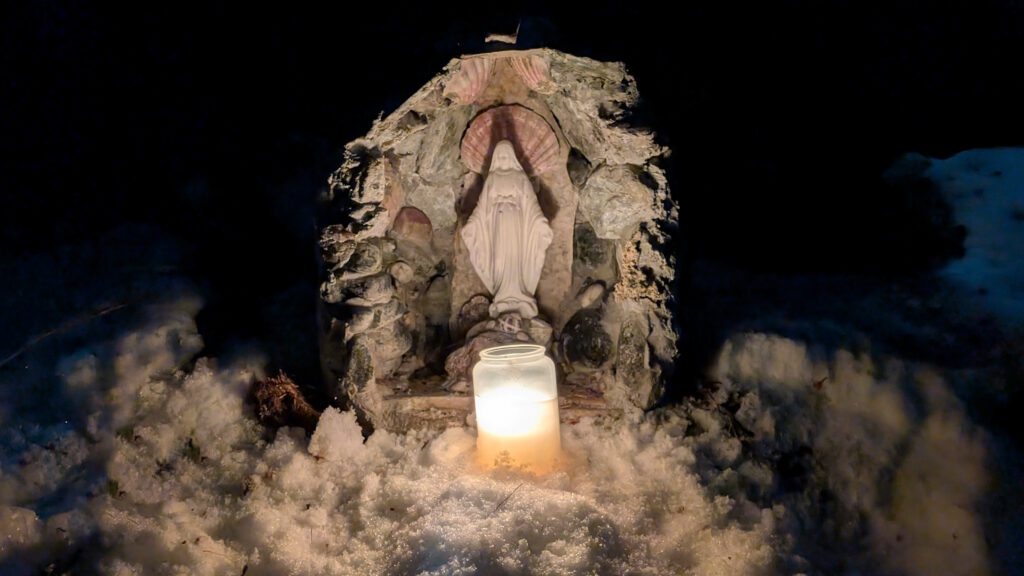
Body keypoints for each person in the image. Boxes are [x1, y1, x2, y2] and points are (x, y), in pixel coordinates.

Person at [462, 140, 553, 319]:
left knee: (516, 257)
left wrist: (540, 221)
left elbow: (530, 204)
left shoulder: (519, 178)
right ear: (496, 159)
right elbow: (482, 207)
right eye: (500, 157)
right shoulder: (493, 179)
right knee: (500, 259)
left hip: (517, 223)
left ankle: (519, 292)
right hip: (497, 224)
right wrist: (472, 224)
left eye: (506, 156)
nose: (503, 160)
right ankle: (502, 293)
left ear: (511, 158)